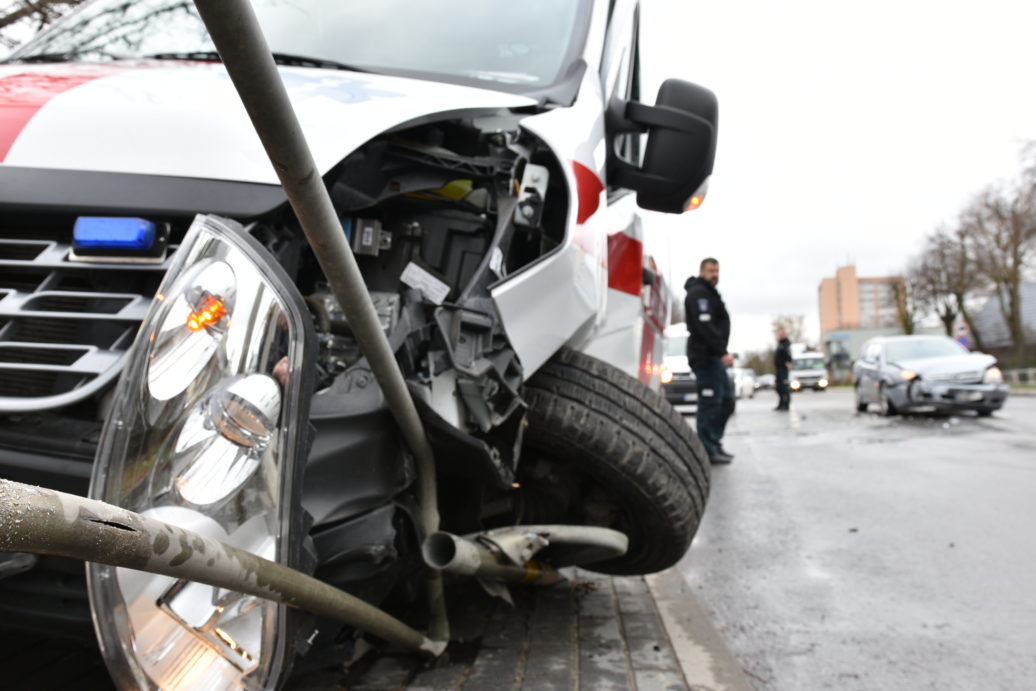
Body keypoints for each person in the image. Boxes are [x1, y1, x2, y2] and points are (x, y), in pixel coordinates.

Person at [684, 258, 735, 464]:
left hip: (714, 356)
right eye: (711, 271)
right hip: (705, 356)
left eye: (717, 271)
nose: (715, 274)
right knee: (710, 402)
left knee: (727, 401)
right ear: (702, 271)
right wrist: (722, 352)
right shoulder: (698, 293)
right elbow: (704, 327)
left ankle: (713, 441)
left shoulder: (710, 293)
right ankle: (706, 449)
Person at [774, 328, 792, 411]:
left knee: (784, 387)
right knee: (779, 387)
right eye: (778, 334)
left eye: (780, 334)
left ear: (784, 335)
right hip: (779, 369)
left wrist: (788, 362)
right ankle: (781, 404)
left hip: (783, 369)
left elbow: (788, 354)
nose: (779, 336)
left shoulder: (786, 343)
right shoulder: (780, 344)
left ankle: (786, 404)